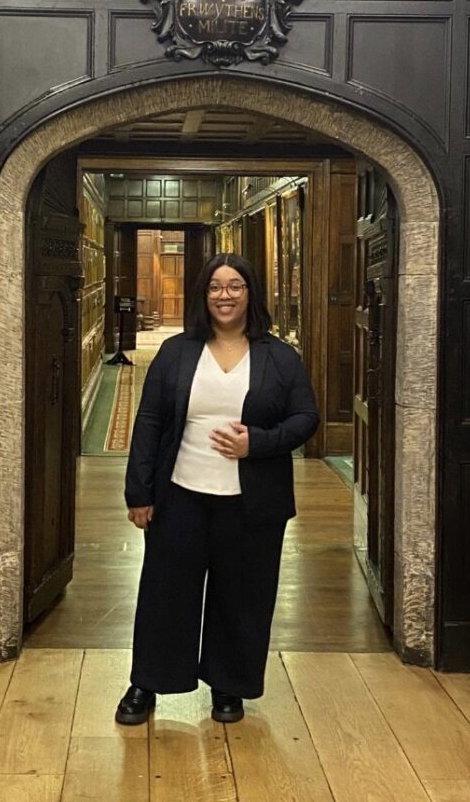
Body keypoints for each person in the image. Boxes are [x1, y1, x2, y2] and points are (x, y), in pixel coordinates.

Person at [115, 252, 319, 725]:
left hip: (252, 503)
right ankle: (147, 682)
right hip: (180, 494)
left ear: (250, 294)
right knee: (166, 593)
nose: (224, 296)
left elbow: (305, 418)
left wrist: (256, 443)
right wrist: (139, 492)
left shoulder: (280, 357)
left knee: (242, 596)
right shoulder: (177, 352)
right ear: (203, 295)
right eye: (214, 287)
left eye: (234, 286)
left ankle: (230, 685)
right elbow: (149, 422)